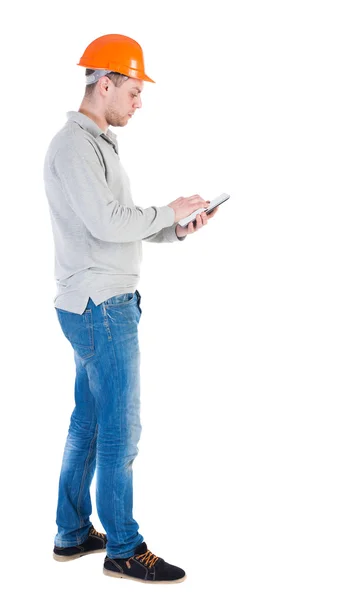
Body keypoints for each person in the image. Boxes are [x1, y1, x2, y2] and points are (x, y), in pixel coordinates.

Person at [43, 33, 219, 585]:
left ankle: (71, 534)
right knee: (121, 431)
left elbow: (116, 226)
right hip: (101, 307)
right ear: (105, 81)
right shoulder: (75, 145)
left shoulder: (97, 144)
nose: (139, 103)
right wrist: (167, 209)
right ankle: (124, 547)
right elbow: (108, 225)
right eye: (134, 91)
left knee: (90, 425)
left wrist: (177, 227)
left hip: (96, 302)